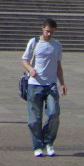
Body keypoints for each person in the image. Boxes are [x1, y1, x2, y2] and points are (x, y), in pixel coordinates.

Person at [21, 17, 67, 157]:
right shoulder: (34, 42)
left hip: (51, 85)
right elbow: (24, 60)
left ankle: (48, 142)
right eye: (47, 31)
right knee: (35, 119)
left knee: (54, 114)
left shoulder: (57, 45)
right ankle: (37, 146)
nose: (49, 34)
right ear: (42, 28)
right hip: (35, 85)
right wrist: (30, 69)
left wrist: (62, 83)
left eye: (52, 32)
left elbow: (59, 66)